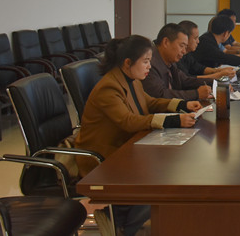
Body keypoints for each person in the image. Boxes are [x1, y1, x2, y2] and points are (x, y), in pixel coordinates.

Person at [75, 35, 201, 236]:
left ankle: (122, 218)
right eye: (146, 61)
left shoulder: (130, 79)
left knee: (166, 167)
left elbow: (149, 102)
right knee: (159, 173)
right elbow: (128, 121)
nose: (149, 66)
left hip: (126, 146)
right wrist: (174, 120)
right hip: (103, 157)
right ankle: (124, 225)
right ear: (128, 62)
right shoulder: (109, 87)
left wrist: (182, 105)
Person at [141, 23, 222, 100]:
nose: (184, 51)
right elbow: (160, 95)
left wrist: (216, 82)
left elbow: (184, 80)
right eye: (181, 46)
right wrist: (196, 94)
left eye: (185, 47)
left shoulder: (170, 60)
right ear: (166, 42)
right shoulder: (150, 63)